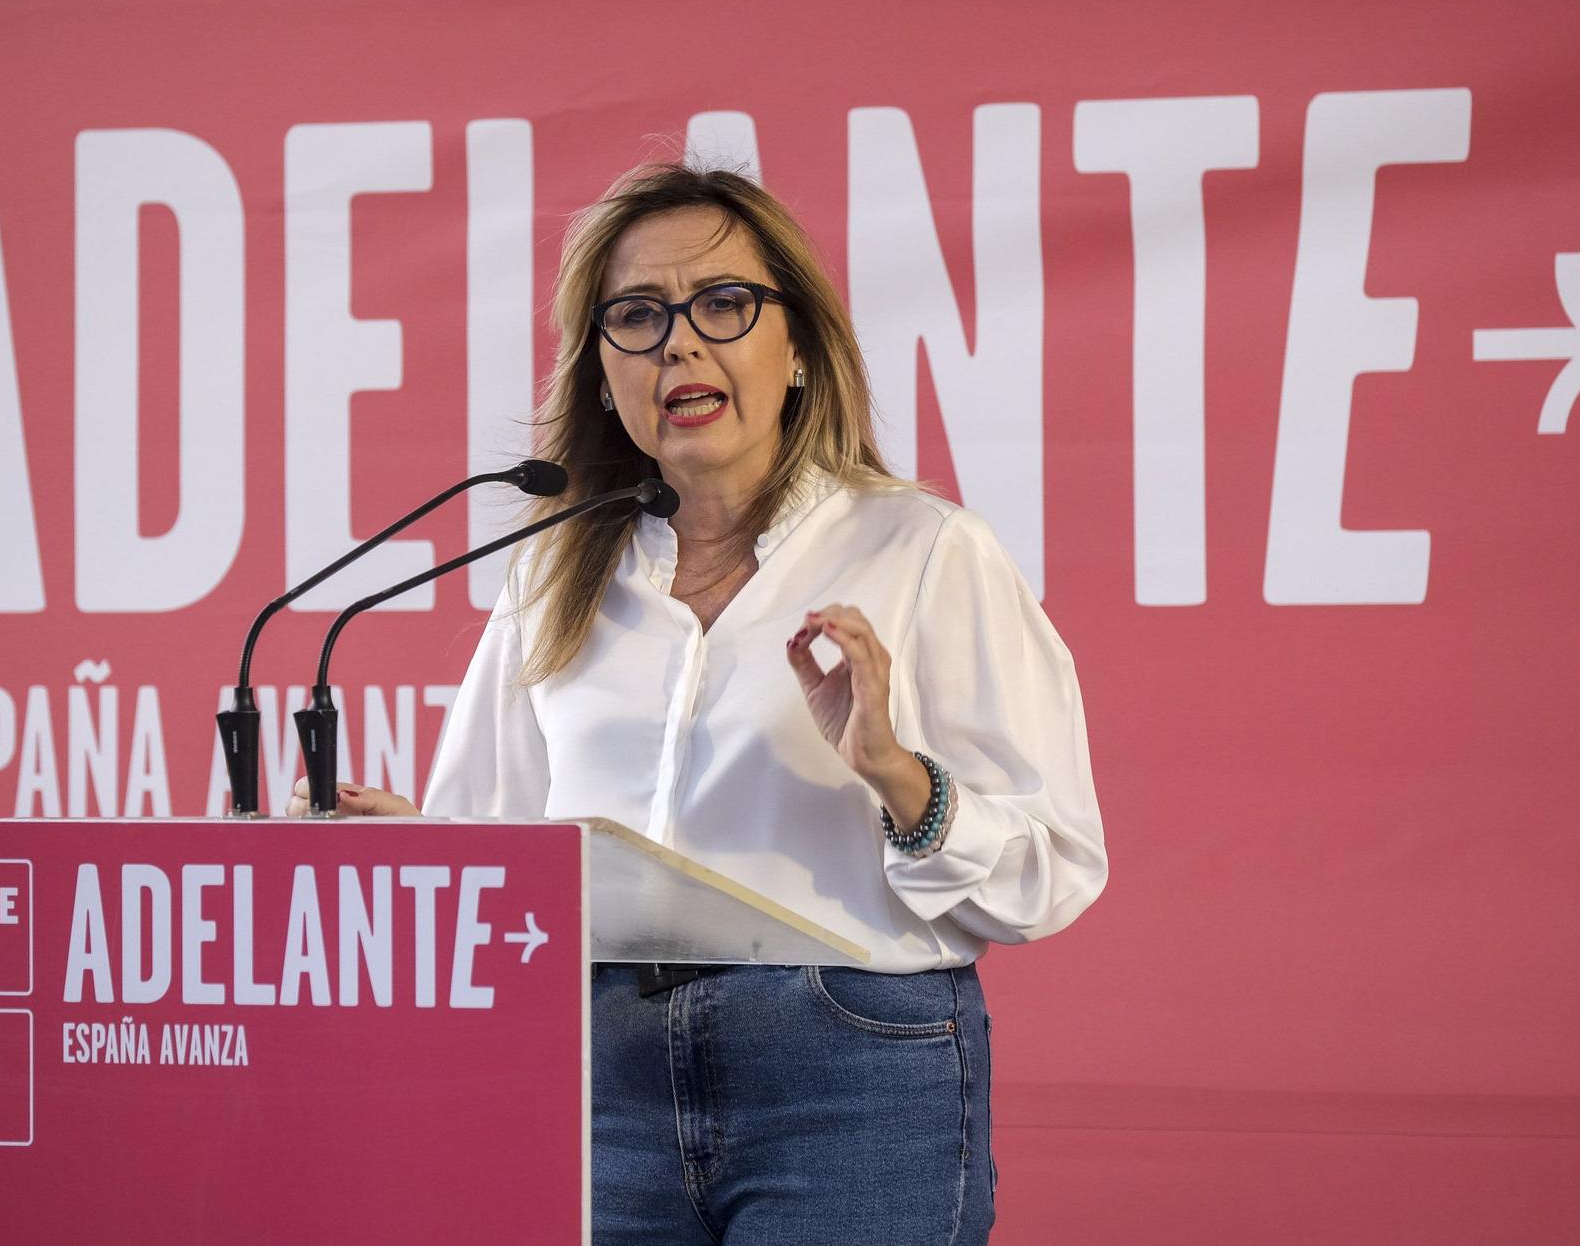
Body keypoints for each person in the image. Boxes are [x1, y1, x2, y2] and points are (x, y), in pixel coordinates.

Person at [292, 163, 1106, 1243]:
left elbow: (1051, 868)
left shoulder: (922, 551)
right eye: (635, 315)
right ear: (601, 371)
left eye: (722, 304)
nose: (679, 342)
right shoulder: (549, 571)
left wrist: (898, 778)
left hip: (847, 1068)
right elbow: (499, 840)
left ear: (800, 348)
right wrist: (428, 852)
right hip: (597, 1074)